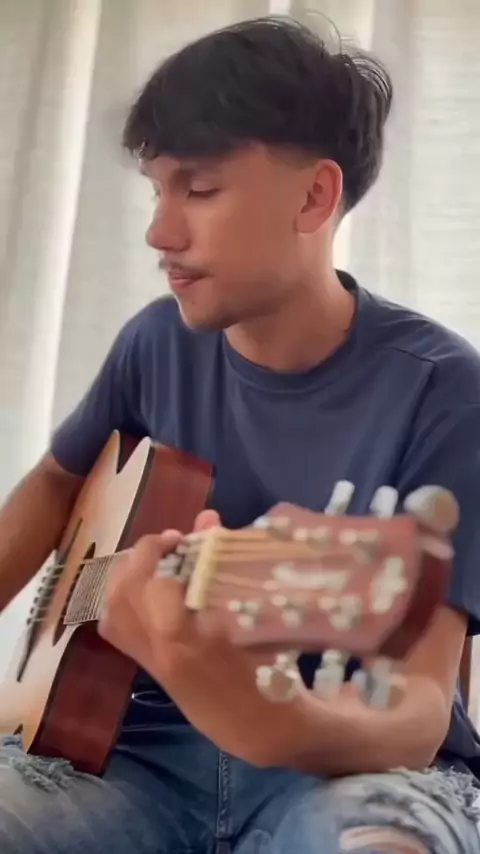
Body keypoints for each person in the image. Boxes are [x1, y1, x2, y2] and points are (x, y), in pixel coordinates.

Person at [1, 14, 480, 854]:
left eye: (198, 189)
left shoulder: (442, 389)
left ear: (314, 197)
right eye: (157, 190)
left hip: (344, 765)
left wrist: (271, 720)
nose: (159, 232)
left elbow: (413, 715)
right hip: (131, 751)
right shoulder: (156, 344)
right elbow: (52, 484)